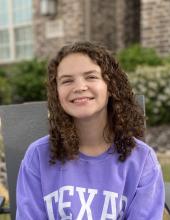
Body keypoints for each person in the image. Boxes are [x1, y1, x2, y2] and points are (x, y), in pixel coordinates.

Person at [16, 41, 165, 219]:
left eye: (91, 77)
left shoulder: (141, 160)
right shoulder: (38, 156)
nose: (79, 87)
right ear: (57, 93)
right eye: (67, 80)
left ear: (111, 87)